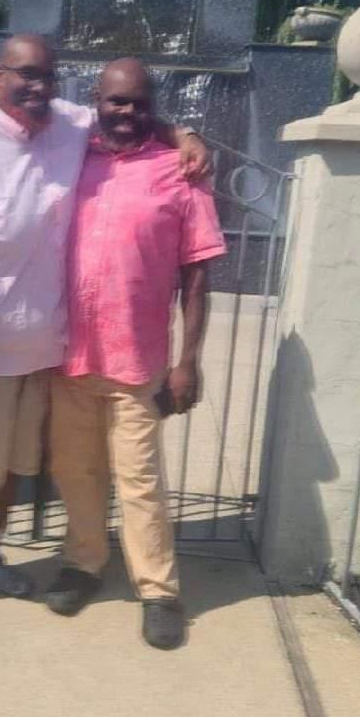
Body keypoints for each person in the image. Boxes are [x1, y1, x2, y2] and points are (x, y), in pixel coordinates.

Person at [0, 35, 209, 628]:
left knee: (15, 468)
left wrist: (182, 133)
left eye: (47, 76)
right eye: (25, 74)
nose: (38, 86)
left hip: (55, 354)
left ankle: (9, 561)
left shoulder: (67, 128)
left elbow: (127, 112)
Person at [43, 58, 226, 650]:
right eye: (116, 101)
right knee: (76, 471)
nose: (127, 112)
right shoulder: (70, 153)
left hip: (136, 360)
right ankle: (84, 564)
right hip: (69, 354)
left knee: (139, 480)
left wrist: (188, 360)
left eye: (139, 103)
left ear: (154, 105)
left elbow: (196, 276)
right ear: (97, 99)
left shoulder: (181, 170)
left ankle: (158, 590)